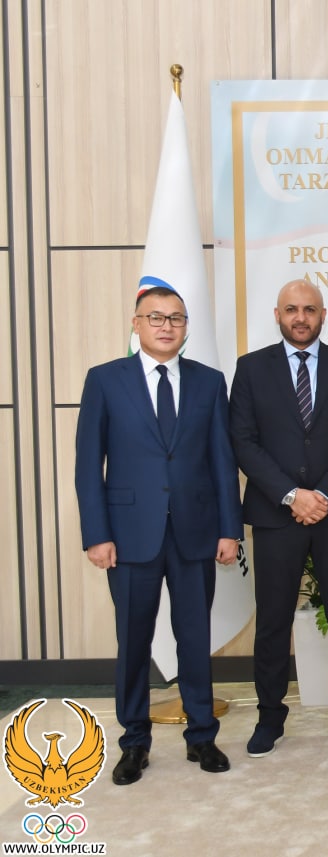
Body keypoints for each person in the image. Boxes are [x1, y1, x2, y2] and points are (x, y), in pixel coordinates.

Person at [74, 286, 241, 785]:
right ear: (137, 323)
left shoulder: (209, 382)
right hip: (128, 536)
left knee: (194, 637)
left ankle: (202, 736)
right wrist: (96, 534)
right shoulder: (105, 380)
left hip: (195, 531)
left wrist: (230, 529)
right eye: (156, 317)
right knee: (133, 641)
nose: (166, 326)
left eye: (176, 318)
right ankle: (134, 742)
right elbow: (88, 465)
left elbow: (222, 461)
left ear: (186, 326)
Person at [229, 279, 328, 756]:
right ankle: (270, 715)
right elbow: (243, 441)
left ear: (323, 314)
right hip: (277, 515)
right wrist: (292, 495)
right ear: (277, 315)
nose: (300, 317)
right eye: (291, 309)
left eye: (309, 309)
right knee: (274, 620)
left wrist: (324, 495)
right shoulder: (251, 368)